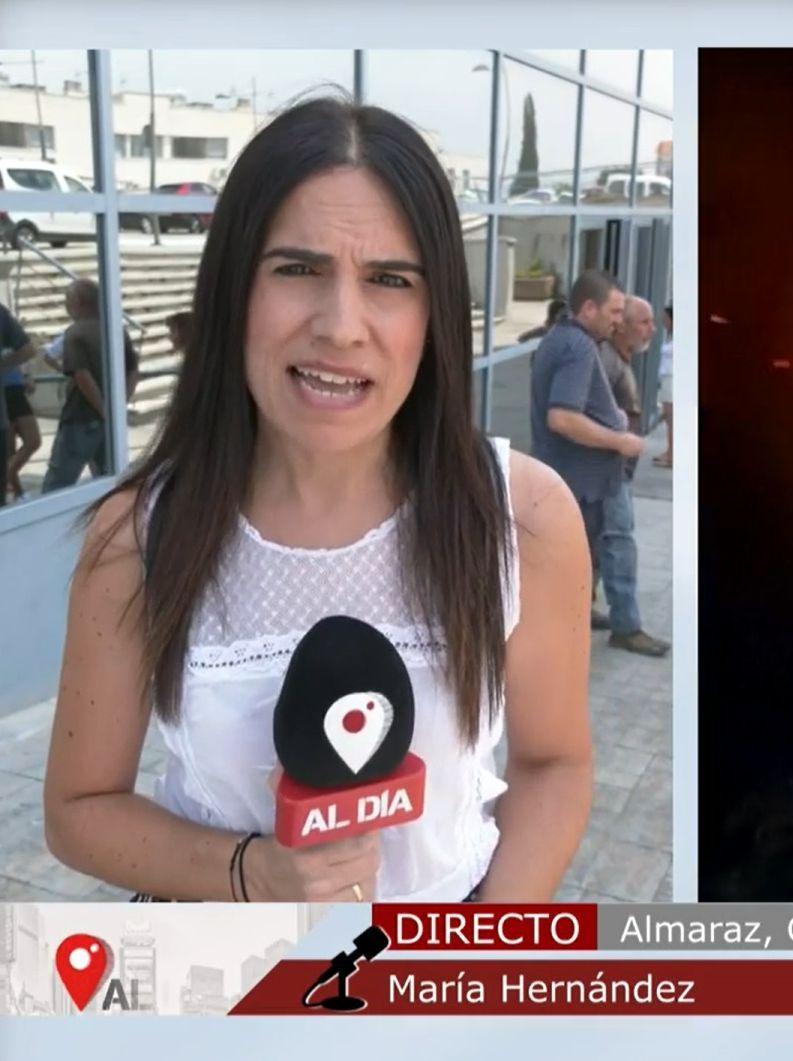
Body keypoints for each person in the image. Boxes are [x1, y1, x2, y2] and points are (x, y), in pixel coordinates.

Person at [43, 97, 594, 903]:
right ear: (234, 291)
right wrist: (248, 871)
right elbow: (79, 809)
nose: (341, 326)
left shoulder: (520, 518)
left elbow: (555, 763)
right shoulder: (139, 537)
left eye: (389, 280)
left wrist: (473, 964)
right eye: (298, 269)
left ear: (434, 312)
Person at [529, 268, 660, 657]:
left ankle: (582, 617)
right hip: (586, 478)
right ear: (589, 308)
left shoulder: (566, 340)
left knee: (586, 554)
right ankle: (622, 627)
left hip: (585, 477)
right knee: (612, 547)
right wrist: (619, 438)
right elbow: (562, 417)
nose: (618, 320)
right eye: (615, 311)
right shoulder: (579, 348)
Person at [595, 296, 670, 657]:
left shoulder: (616, 360)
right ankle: (627, 627)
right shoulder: (605, 361)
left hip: (613, 472)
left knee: (599, 543)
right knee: (620, 546)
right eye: (643, 322)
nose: (651, 329)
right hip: (609, 474)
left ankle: (587, 608)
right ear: (620, 325)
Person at [41, 279, 139, 493]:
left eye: (67, 301)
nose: (66, 306)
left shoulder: (75, 333)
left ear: (78, 302)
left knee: (57, 485)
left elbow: (81, 375)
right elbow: (133, 371)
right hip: (109, 420)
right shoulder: (117, 330)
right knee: (111, 480)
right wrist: (117, 407)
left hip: (80, 418)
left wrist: (103, 410)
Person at [0, 301, 44, 504]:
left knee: (31, 441)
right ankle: (17, 491)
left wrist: (26, 376)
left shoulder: (4, 318)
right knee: (10, 446)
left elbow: (27, 351)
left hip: (14, 389)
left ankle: (14, 488)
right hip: (8, 391)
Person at [652, 304, 673, 468]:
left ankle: (672, 454)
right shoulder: (669, 336)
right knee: (668, 418)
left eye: (666, 317)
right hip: (666, 379)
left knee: (672, 419)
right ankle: (670, 451)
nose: (663, 320)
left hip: (672, 380)